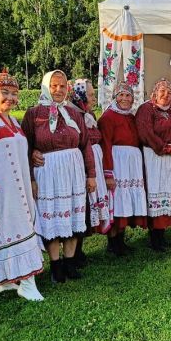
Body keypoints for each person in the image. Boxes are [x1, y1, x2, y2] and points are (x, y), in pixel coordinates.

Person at [0, 70, 44, 301]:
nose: (10, 98)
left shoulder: (14, 121)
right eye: (5, 93)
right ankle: (26, 283)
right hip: (2, 191)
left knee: (21, 227)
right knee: (10, 230)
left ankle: (6, 280)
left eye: (14, 94)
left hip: (20, 187)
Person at [21, 70, 95, 284]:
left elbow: (85, 145)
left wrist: (91, 175)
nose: (58, 90)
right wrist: (31, 177)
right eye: (54, 86)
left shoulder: (75, 114)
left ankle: (70, 263)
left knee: (73, 215)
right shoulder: (34, 114)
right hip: (47, 171)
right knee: (51, 216)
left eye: (62, 86)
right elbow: (25, 147)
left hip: (73, 170)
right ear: (45, 86)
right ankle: (56, 266)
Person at [136, 78, 171, 251]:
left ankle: (162, 236)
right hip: (155, 156)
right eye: (162, 92)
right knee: (157, 191)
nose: (166, 95)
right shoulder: (146, 109)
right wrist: (166, 148)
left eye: (169, 92)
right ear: (155, 93)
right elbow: (146, 134)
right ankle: (155, 239)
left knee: (168, 192)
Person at [97, 82, 148, 256]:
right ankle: (112, 244)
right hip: (118, 162)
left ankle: (121, 240)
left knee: (125, 203)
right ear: (114, 97)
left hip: (131, 165)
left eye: (128, 96)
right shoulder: (108, 117)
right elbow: (106, 145)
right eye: (121, 95)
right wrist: (108, 173)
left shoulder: (131, 117)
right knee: (117, 201)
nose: (125, 99)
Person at [68, 78, 112, 260]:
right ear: (81, 95)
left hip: (95, 164)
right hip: (83, 166)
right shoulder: (73, 115)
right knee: (83, 206)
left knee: (89, 206)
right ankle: (75, 253)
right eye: (91, 95)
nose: (94, 98)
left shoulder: (90, 114)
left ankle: (79, 250)